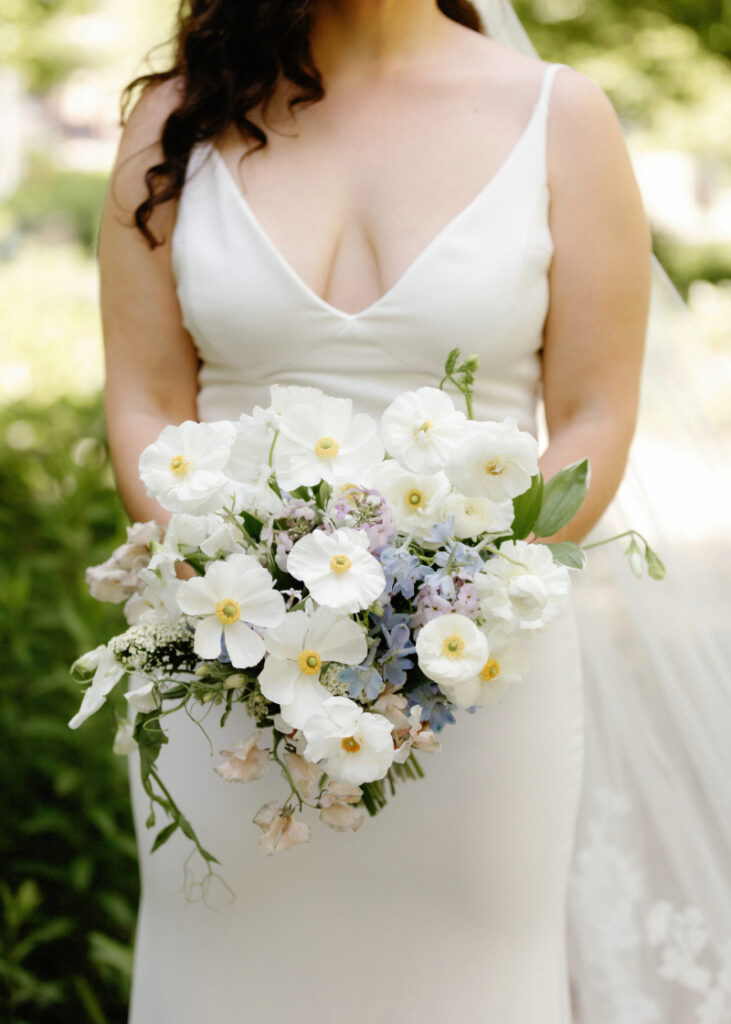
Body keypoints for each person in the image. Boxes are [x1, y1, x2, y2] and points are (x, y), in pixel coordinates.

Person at [98, 1, 652, 1020]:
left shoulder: (556, 116)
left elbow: (592, 414)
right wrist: (236, 588)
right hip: (226, 674)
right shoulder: (179, 120)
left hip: (470, 674)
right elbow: (142, 399)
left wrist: (447, 598)